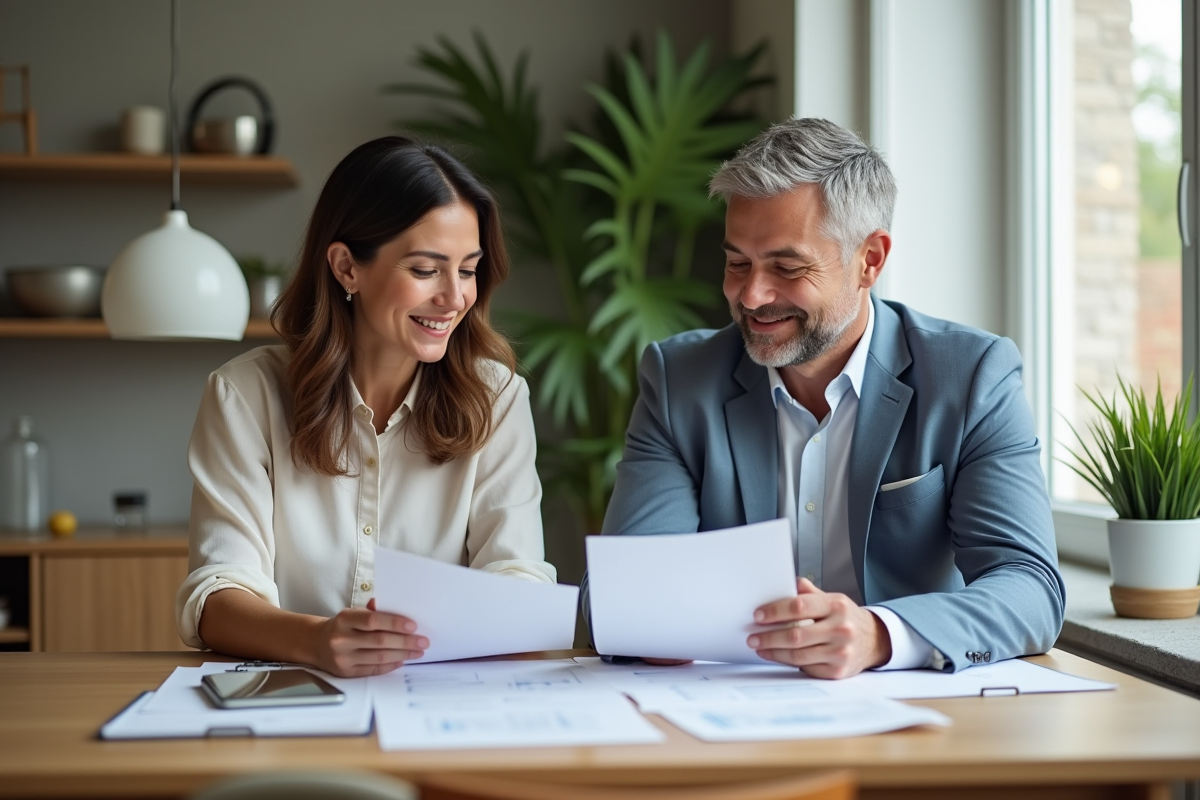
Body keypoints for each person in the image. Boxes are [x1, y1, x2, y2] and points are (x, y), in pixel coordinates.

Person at [595, 118, 1064, 677]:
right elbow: (618, 593)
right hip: (727, 714)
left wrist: (881, 635)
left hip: (917, 722)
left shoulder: (969, 376)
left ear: (869, 260)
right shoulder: (679, 380)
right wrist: (644, 622)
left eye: (787, 268)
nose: (752, 295)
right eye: (737, 262)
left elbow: (1030, 587)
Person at [176, 136, 555, 678]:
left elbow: (518, 575)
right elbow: (216, 595)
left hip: (441, 704)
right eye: (426, 270)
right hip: (294, 702)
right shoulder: (244, 396)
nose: (454, 298)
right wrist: (316, 640)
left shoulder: (497, 398)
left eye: (467, 270)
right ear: (346, 267)